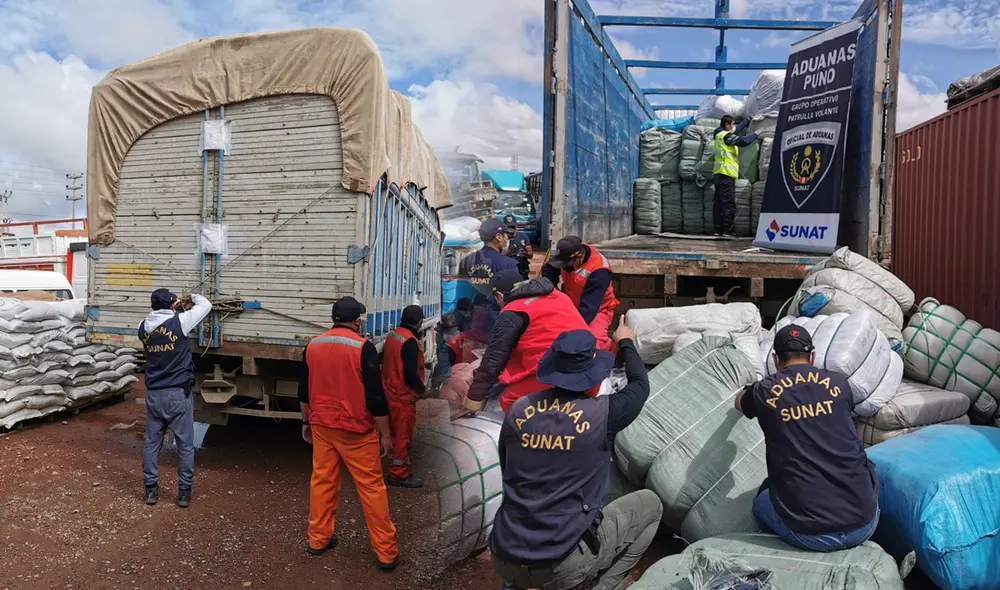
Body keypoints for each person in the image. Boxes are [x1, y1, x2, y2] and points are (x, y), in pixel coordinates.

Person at [489, 324, 663, 590]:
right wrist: (626, 341)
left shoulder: (518, 410)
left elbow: (507, 471)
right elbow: (640, 385)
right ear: (592, 377)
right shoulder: (603, 414)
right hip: (561, 563)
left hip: (504, 555)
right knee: (651, 505)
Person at [735, 324, 880, 552]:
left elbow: (739, 403)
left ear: (775, 359)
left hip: (810, 534)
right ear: (812, 356)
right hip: (865, 524)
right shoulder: (840, 383)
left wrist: (752, 390)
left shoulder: (764, 390)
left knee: (761, 502)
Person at [298, 296, 399, 571]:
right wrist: (386, 435)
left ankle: (318, 540)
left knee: (322, 482)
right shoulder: (362, 347)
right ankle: (386, 553)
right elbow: (376, 397)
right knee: (371, 488)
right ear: (357, 321)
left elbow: (304, 390)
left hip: (322, 426)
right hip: (356, 429)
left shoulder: (313, 345)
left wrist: (306, 422)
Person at [460, 269, 589, 415]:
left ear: (499, 295)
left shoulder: (512, 312)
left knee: (508, 399)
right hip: (591, 371)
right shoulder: (559, 296)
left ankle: (532, 435)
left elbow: (494, 359)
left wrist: (473, 399)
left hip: (561, 376)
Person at [138, 289, 212, 508]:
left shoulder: (142, 327)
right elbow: (205, 305)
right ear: (172, 305)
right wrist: (194, 296)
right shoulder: (180, 323)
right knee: (185, 445)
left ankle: (151, 491)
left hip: (153, 394)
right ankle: (183, 494)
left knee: (152, 443)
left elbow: (158, 322)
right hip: (177, 394)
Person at [541, 236, 620, 354]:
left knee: (592, 344)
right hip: (570, 305)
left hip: (598, 310)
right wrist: (554, 292)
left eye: (567, 264)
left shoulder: (599, 270)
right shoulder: (566, 255)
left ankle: (613, 350)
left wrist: (569, 329)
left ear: (579, 256)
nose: (564, 267)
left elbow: (588, 310)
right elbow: (548, 269)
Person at [381, 305, 427, 488]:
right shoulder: (409, 341)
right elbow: (409, 373)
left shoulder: (394, 335)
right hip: (402, 397)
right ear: (419, 322)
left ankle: (397, 467)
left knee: (393, 433)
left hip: (390, 391)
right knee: (402, 436)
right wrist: (422, 390)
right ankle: (398, 475)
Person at [712, 115, 759, 236]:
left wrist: (745, 121)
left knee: (718, 203)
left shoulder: (718, 134)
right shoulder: (726, 136)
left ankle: (718, 229)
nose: (734, 126)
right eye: (732, 124)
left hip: (718, 173)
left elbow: (737, 129)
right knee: (728, 203)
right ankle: (728, 230)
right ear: (727, 125)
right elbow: (742, 141)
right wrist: (756, 135)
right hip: (726, 174)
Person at [502, 214, 534, 280]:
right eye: (508, 227)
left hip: (522, 269)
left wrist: (525, 253)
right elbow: (496, 258)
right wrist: (507, 252)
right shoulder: (500, 238)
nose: (511, 229)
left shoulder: (523, 236)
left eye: (512, 226)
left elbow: (530, 255)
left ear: (516, 225)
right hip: (507, 271)